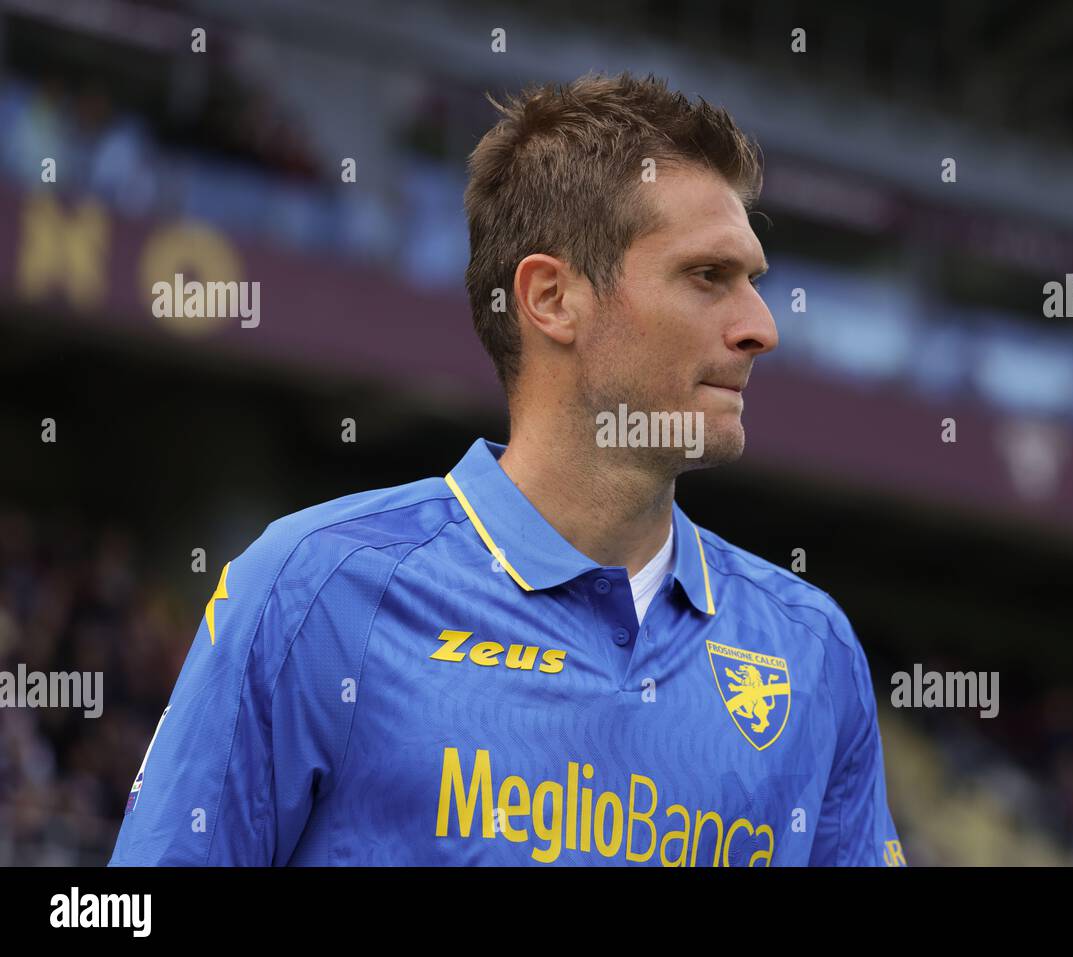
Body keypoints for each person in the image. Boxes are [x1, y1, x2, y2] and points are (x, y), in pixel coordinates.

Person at [108, 71, 904, 866]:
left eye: (754, 283)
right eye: (708, 277)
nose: (761, 327)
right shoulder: (315, 592)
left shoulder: (812, 651)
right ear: (552, 298)